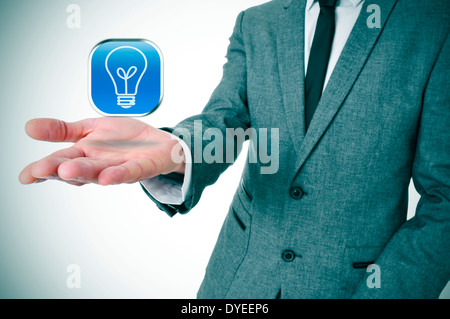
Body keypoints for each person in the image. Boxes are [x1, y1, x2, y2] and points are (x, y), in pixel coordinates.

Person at [19, 0, 449, 298]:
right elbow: (225, 120)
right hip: (237, 280)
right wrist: (177, 150)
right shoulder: (258, 23)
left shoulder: (434, 25)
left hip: (356, 285)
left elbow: (444, 202)